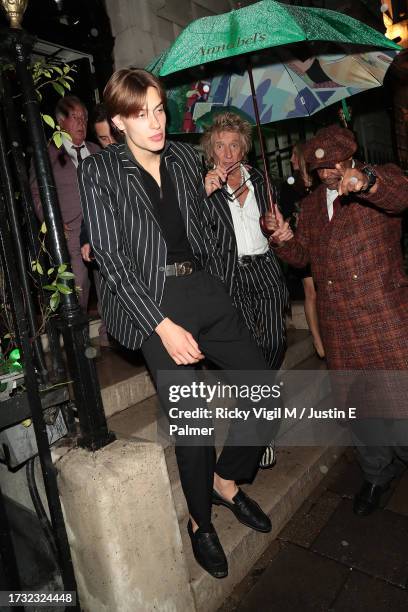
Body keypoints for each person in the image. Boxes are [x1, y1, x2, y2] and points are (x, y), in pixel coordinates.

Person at [78, 69, 274, 579]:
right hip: (150, 300)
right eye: (141, 114)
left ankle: (226, 482)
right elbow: (112, 258)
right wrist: (161, 325)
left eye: (160, 108)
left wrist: (210, 195)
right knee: (193, 424)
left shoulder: (186, 158)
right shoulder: (100, 172)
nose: (157, 122)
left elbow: (208, 228)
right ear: (119, 122)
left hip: (201, 288)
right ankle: (199, 522)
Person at [270, 124, 408, 516]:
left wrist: (366, 182)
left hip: (385, 320)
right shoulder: (313, 205)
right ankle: (377, 474)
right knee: (362, 412)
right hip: (340, 326)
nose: (329, 174)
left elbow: (400, 197)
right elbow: (304, 258)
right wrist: (283, 239)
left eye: (334, 166)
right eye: (321, 170)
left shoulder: (379, 177)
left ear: (350, 156)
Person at [201, 113, 289, 469]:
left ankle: (256, 408)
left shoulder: (262, 180)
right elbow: (194, 234)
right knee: (249, 352)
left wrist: (279, 227)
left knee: (274, 344)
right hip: (231, 276)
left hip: (265, 268)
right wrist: (204, 194)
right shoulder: (201, 184)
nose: (226, 151)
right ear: (210, 148)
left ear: (244, 147)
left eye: (233, 144)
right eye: (219, 145)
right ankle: (259, 433)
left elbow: (280, 221)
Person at [30, 95, 100, 312]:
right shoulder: (48, 154)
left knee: (109, 285)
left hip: (100, 224)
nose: (81, 123)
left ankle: (110, 336)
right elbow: (36, 193)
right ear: (60, 122)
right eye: (75, 117)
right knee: (77, 285)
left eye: (84, 118)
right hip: (70, 229)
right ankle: (78, 340)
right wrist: (52, 222)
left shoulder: (97, 150)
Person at [279, 142, 325, 358]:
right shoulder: (289, 186)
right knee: (310, 292)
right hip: (301, 246)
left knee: (325, 291)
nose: (290, 161)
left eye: (293, 156)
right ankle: (317, 341)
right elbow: (286, 215)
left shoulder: (319, 182)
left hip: (322, 244)